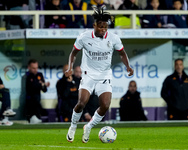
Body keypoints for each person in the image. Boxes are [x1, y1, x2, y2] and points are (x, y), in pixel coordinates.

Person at [65, 6, 133, 143]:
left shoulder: (113, 38)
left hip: (104, 76)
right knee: (81, 103)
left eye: (106, 27)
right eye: (101, 27)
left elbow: (122, 53)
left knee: (105, 105)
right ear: (94, 25)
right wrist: (70, 67)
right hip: (88, 75)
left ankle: (88, 127)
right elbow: (73, 53)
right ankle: (73, 126)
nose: (103, 30)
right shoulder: (84, 37)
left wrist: (128, 65)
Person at [25, 59, 50, 124]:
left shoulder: (39, 75)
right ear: (29, 67)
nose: (35, 70)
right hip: (29, 104)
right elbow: (30, 87)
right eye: (33, 68)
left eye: (36, 68)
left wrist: (43, 85)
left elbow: (44, 90)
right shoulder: (26, 76)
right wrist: (41, 84)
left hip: (37, 102)